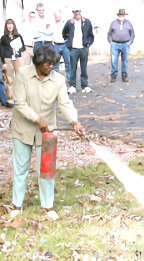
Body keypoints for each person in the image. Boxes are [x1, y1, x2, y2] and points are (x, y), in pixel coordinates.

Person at [7, 46, 84, 221]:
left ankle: (47, 207)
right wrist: (38, 120)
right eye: (47, 65)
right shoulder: (22, 74)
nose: (51, 68)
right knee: (21, 168)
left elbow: (65, 103)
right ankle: (16, 205)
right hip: (22, 129)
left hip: (48, 131)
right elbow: (20, 103)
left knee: (47, 169)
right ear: (38, 63)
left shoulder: (58, 80)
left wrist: (74, 121)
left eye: (53, 65)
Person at [62, 6, 94, 94]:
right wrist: (68, 44)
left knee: (84, 68)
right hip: (73, 49)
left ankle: (85, 86)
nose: (77, 13)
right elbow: (64, 33)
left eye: (78, 11)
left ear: (81, 12)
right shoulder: (69, 23)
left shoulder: (86, 22)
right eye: (75, 12)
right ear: (73, 13)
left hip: (84, 48)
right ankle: (72, 86)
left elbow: (91, 34)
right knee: (73, 68)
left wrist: (88, 43)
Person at [1, 19, 25, 101]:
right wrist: (3, 62)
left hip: (18, 58)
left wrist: (18, 49)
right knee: (9, 78)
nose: (10, 26)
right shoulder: (3, 38)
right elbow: (1, 51)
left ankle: (20, 96)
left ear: (13, 25)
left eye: (11, 24)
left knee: (20, 77)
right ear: (6, 26)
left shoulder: (18, 36)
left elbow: (23, 47)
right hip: (8, 59)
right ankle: (11, 97)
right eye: (8, 24)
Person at [107, 9, 135, 83]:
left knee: (124, 61)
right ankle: (113, 76)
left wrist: (129, 42)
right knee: (113, 61)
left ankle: (124, 76)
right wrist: (111, 42)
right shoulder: (113, 23)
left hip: (125, 44)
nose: (121, 16)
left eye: (123, 15)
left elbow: (132, 34)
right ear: (118, 15)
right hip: (115, 45)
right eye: (120, 15)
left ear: (124, 15)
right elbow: (109, 33)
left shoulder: (128, 23)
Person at [52, 10, 71, 86]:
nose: (56, 16)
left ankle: (69, 81)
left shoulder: (65, 24)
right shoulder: (52, 25)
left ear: (61, 15)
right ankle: (57, 82)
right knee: (55, 64)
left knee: (68, 63)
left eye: (57, 15)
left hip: (65, 45)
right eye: (55, 15)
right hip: (56, 45)